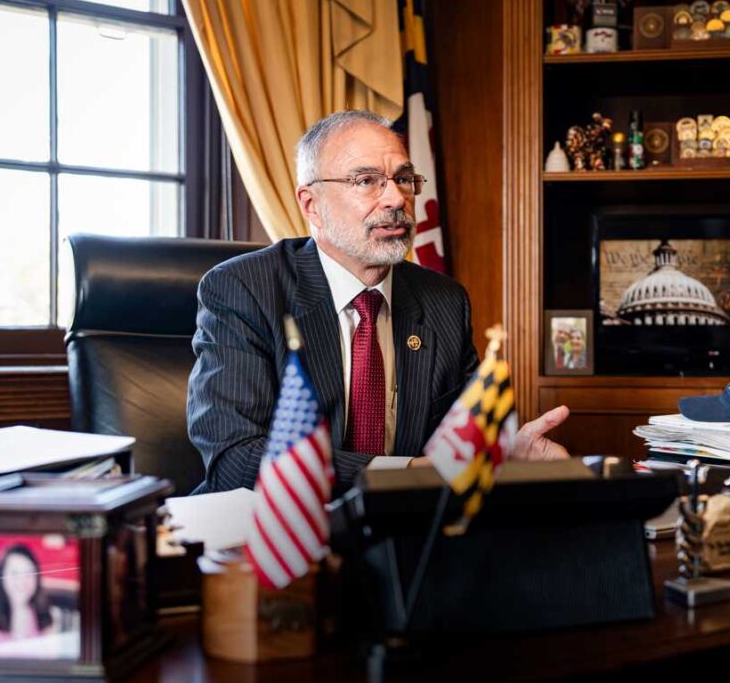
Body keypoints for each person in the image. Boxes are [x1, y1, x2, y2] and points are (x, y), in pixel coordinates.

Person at [187, 110, 570, 494]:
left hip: (403, 536)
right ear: (311, 205)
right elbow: (236, 461)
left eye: (403, 179)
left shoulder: (444, 302)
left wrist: (503, 454)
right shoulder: (244, 289)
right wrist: (411, 473)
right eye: (366, 180)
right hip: (273, 534)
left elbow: (466, 444)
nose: (396, 198)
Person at [0, 545, 56, 652]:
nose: (22, 581)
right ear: (2, 578)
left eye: (29, 573)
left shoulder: (44, 616)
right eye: (14, 573)